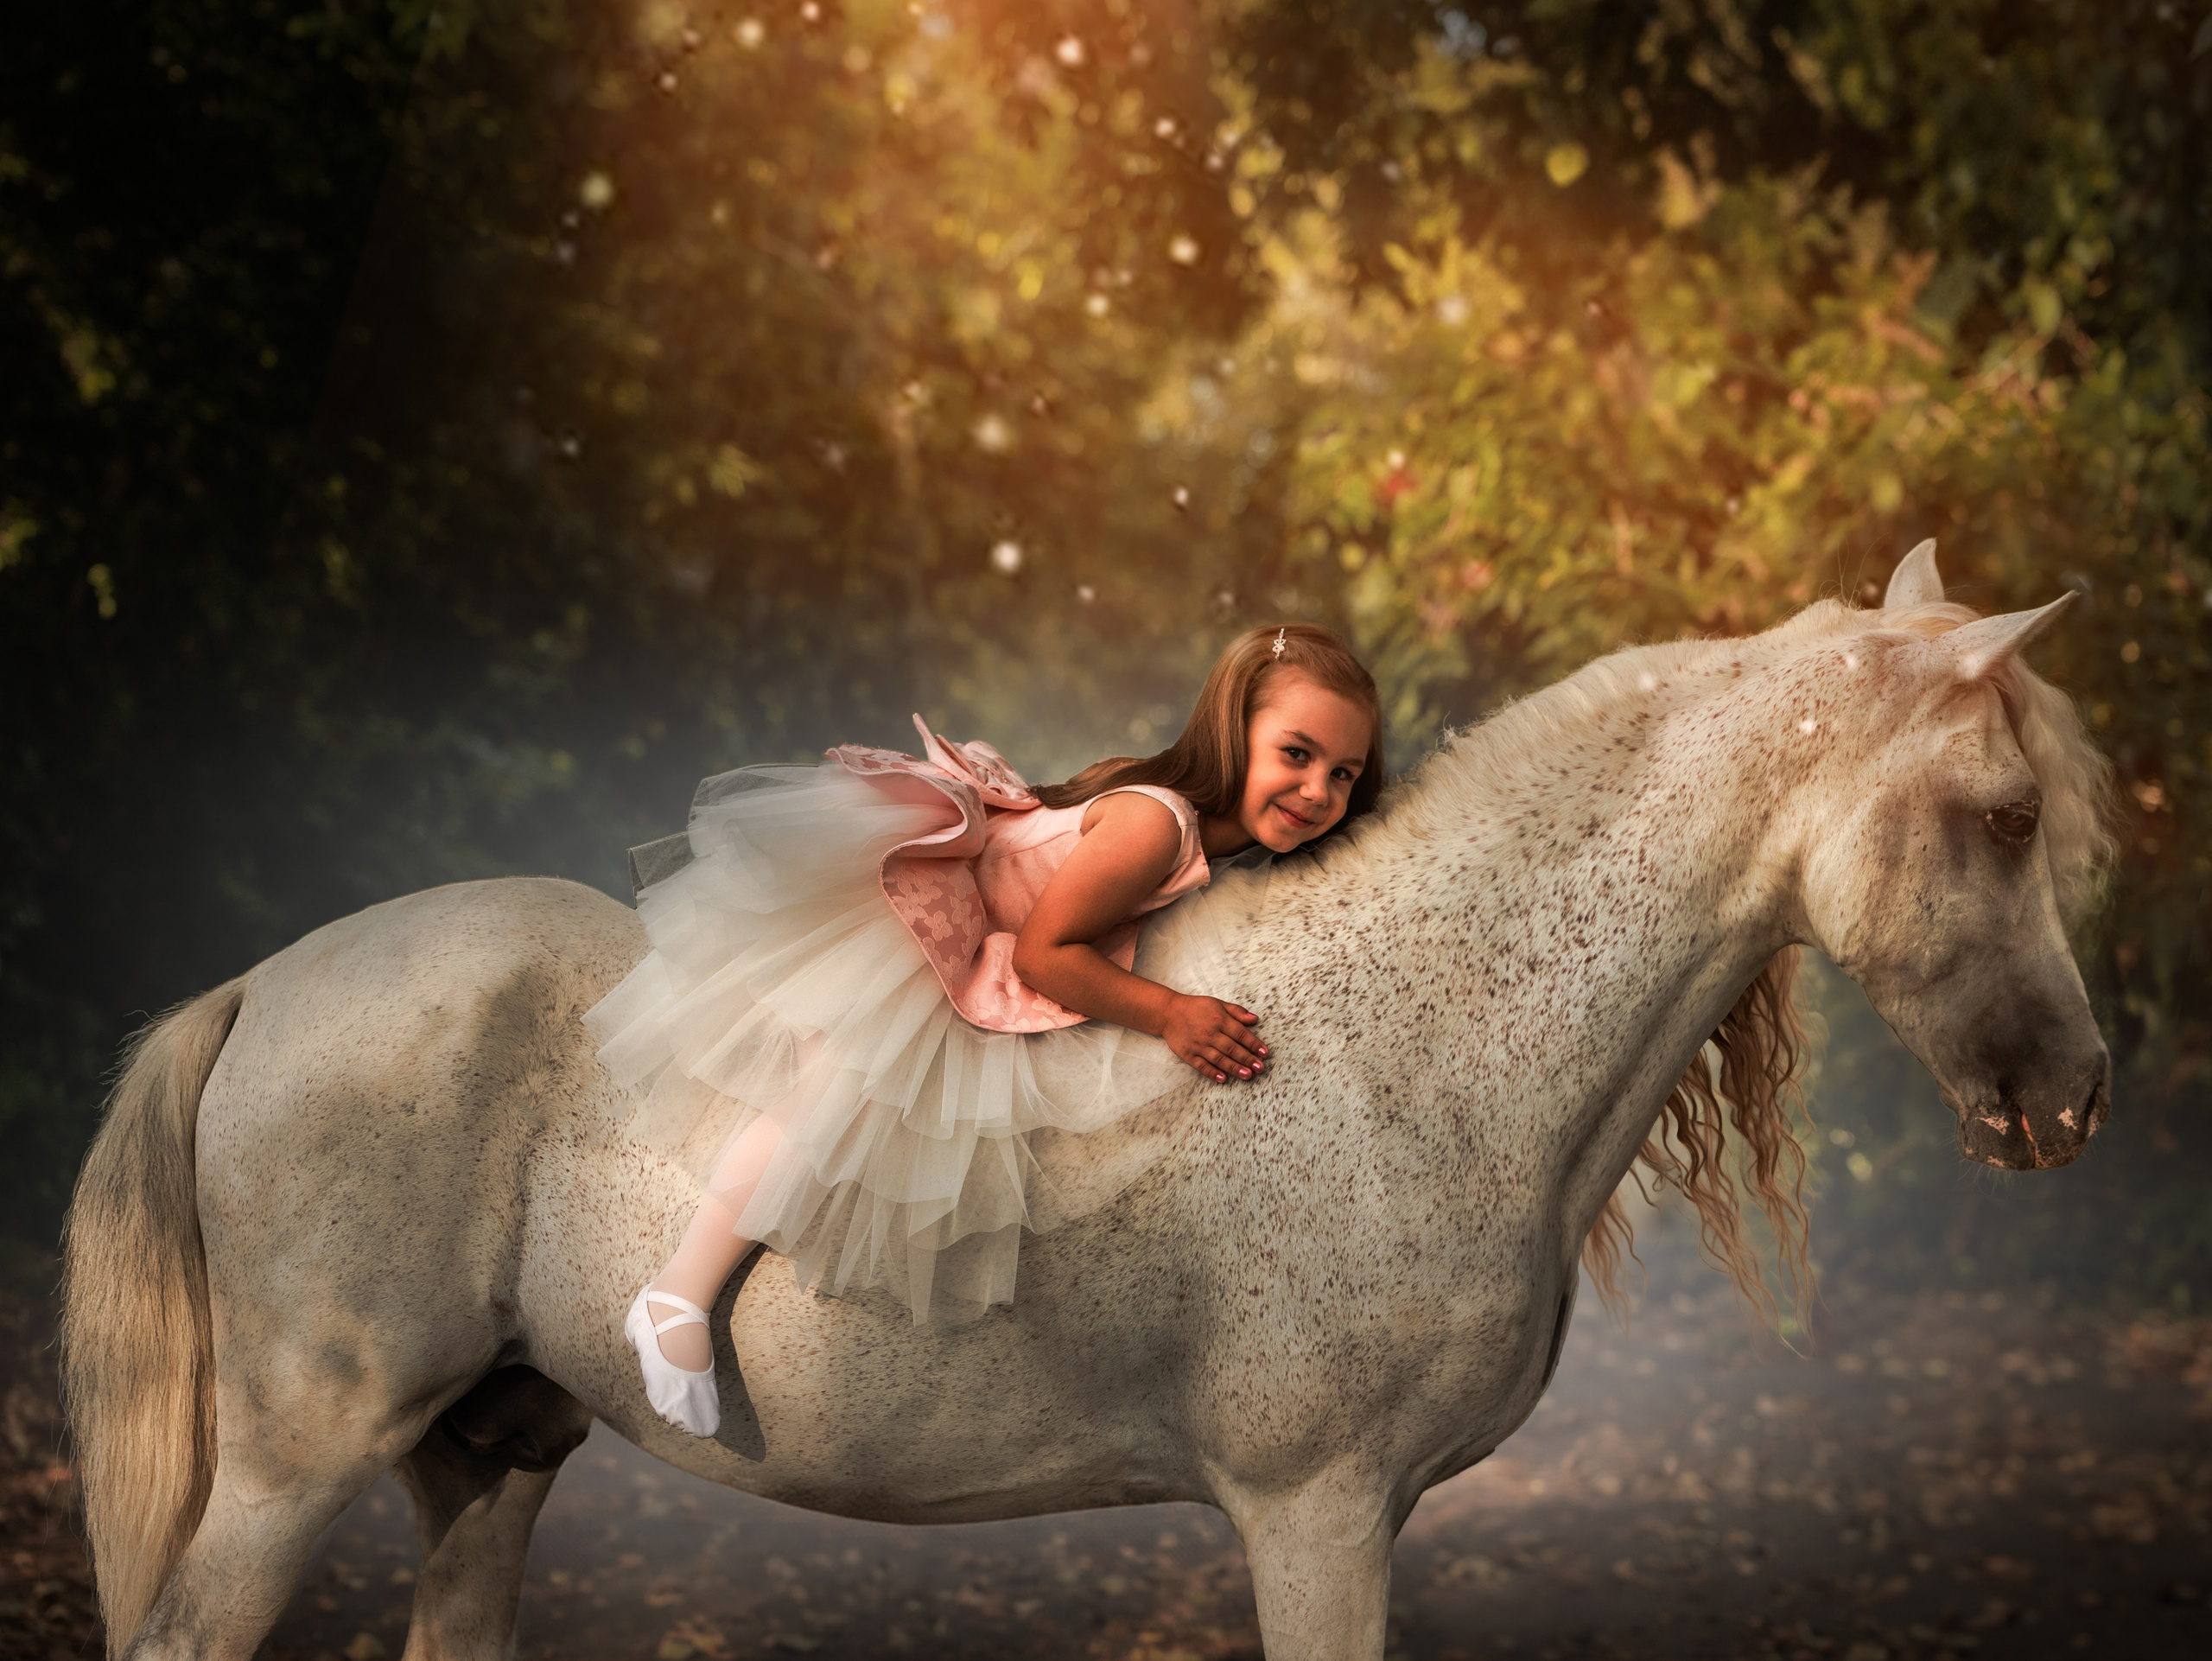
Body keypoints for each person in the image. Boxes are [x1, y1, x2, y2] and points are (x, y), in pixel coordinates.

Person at [587, 624, 1382, 1436]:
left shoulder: (1209, 841)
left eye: (1343, 773)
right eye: (1296, 753)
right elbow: (1043, 956)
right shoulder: (1158, 825)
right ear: (1232, 732)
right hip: (940, 937)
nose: (1318, 790)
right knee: (837, 1090)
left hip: (989, 947)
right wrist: (1171, 1013)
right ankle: (677, 1295)